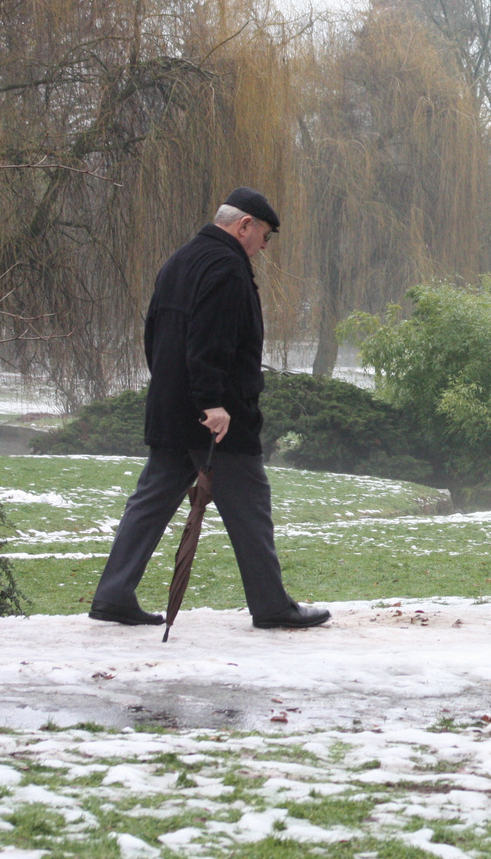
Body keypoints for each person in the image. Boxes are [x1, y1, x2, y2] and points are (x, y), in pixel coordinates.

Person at [89, 189, 330, 630]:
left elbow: (154, 335)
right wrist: (212, 403)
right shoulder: (227, 268)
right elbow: (209, 340)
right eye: (264, 236)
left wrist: (176, 393)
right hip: (216, 419)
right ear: (244, 226)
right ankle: (272, 605)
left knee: (150, 502)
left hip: (172, 409)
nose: (263, 246)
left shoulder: (180, 260)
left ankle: (113, 595)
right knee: (250, 505)